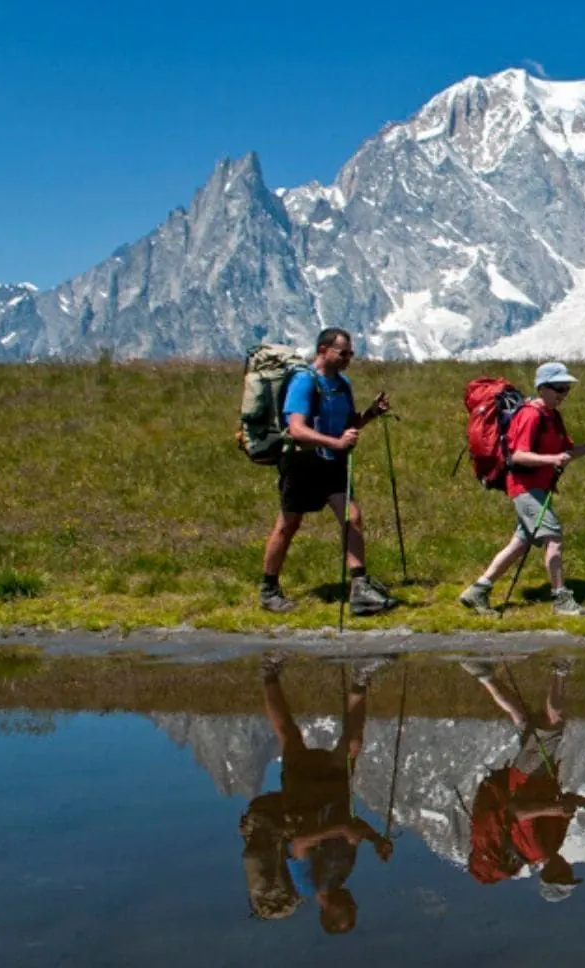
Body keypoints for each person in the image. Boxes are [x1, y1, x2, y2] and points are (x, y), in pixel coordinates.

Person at [240, 652, 396, 934]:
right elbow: (353, 829)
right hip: (335, 793)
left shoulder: (308, 883)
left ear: (329, 913)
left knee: (290, 736)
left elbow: (298, 845)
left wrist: (336, 830)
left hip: (303, 799)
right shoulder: (342, 875)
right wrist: (374, 839)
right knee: (353, 742)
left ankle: (269, 672)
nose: (354, 905)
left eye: (348, 911)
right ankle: (361, 677)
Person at [259, 327, 396, 615]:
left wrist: (371, 414)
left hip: (332, 462)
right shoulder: (304, 382)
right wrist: (336, 443)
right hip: (303, 462)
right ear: (323, 351)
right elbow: (297, 429)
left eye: (351, 353)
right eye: (342, 352)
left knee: (352, 517)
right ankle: (269, 589)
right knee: (288, 524)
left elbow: (349, 425)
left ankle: (359, 588)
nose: (348, 358)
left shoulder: (343, 384)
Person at [459, 362, 585, 617]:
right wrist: (550, 461)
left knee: (519, 543)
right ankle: (561, 599)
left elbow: (566, 453)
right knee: (554, 537)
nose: (563, 394)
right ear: (543, 389)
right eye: (559, 389)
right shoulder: (530, 415)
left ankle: (477, 591)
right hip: (525, 487)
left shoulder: (553, 417)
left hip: (539, 487)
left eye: (566, 389)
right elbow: (517, 456)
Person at [461, 658, 585, 900]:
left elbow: (518, 812)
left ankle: (560, 669)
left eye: (565, 875)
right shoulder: (553, 845)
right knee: (522, 718)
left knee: (553, 724)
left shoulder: (535, 850)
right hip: (533, 777)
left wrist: (553, 809)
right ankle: (483, 674)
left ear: (552, 875)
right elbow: (569, 802)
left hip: (528, 776)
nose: (568, 869)